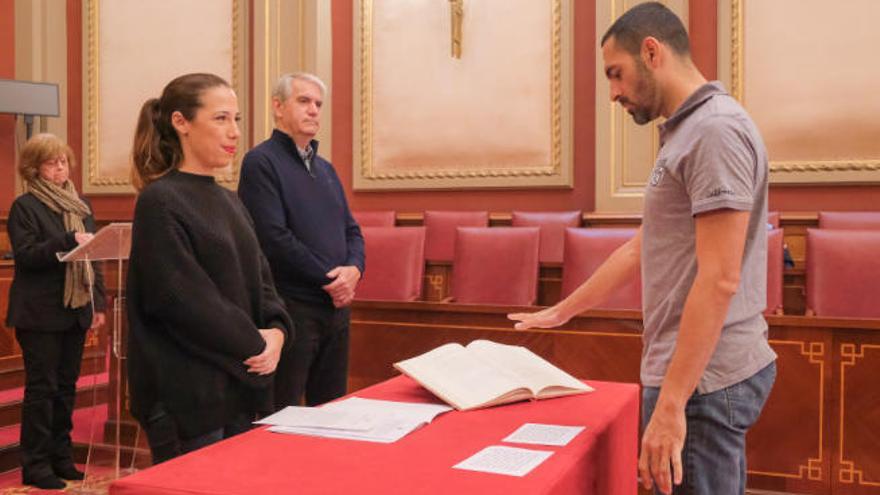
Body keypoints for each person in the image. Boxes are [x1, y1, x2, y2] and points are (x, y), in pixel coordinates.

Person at [508, 3, 776, 494]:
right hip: (688, 373)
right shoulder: (684, 131)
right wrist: (563, 311)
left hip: (701, 382)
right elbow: (642, 247)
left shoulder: (713, 131)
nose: (612, 92)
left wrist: (673, 404)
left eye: (616, 74)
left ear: (651, 52)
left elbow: (720, 279)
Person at [127, 73, 293, 464]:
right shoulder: (161, 201)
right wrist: (257, 345)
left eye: (236, 119)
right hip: (189, 398)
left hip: (241, 387)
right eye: (220, 119)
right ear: (181, 123)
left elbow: (263, 281)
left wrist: (279, 332)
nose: (233, 131)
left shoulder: (230, 200)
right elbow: (183, 300)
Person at [238, 72, 364, 409]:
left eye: (318, 104)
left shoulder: (326, 169)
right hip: (292, 308)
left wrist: (354, 270)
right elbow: (272, 237)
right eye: (304, 101)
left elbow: (352, 230)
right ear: (278, 108)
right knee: (284, 410)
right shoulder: (261, 162)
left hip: (336, 309)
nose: (313, 110)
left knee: (332, 408)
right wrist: (333, 279)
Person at [6, 133, 106, 489]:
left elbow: (94, 257)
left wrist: (99, 302)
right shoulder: (25, 206)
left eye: (63, 161)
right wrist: (65, 241)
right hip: (40, 313)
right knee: (42, 389)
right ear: (34, 168)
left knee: (66, 389)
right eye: (52, 162)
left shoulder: (80, 206)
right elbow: (28, 256)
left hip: (76, 309)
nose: (60, 167)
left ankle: (62, 458)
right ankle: (36, 464)